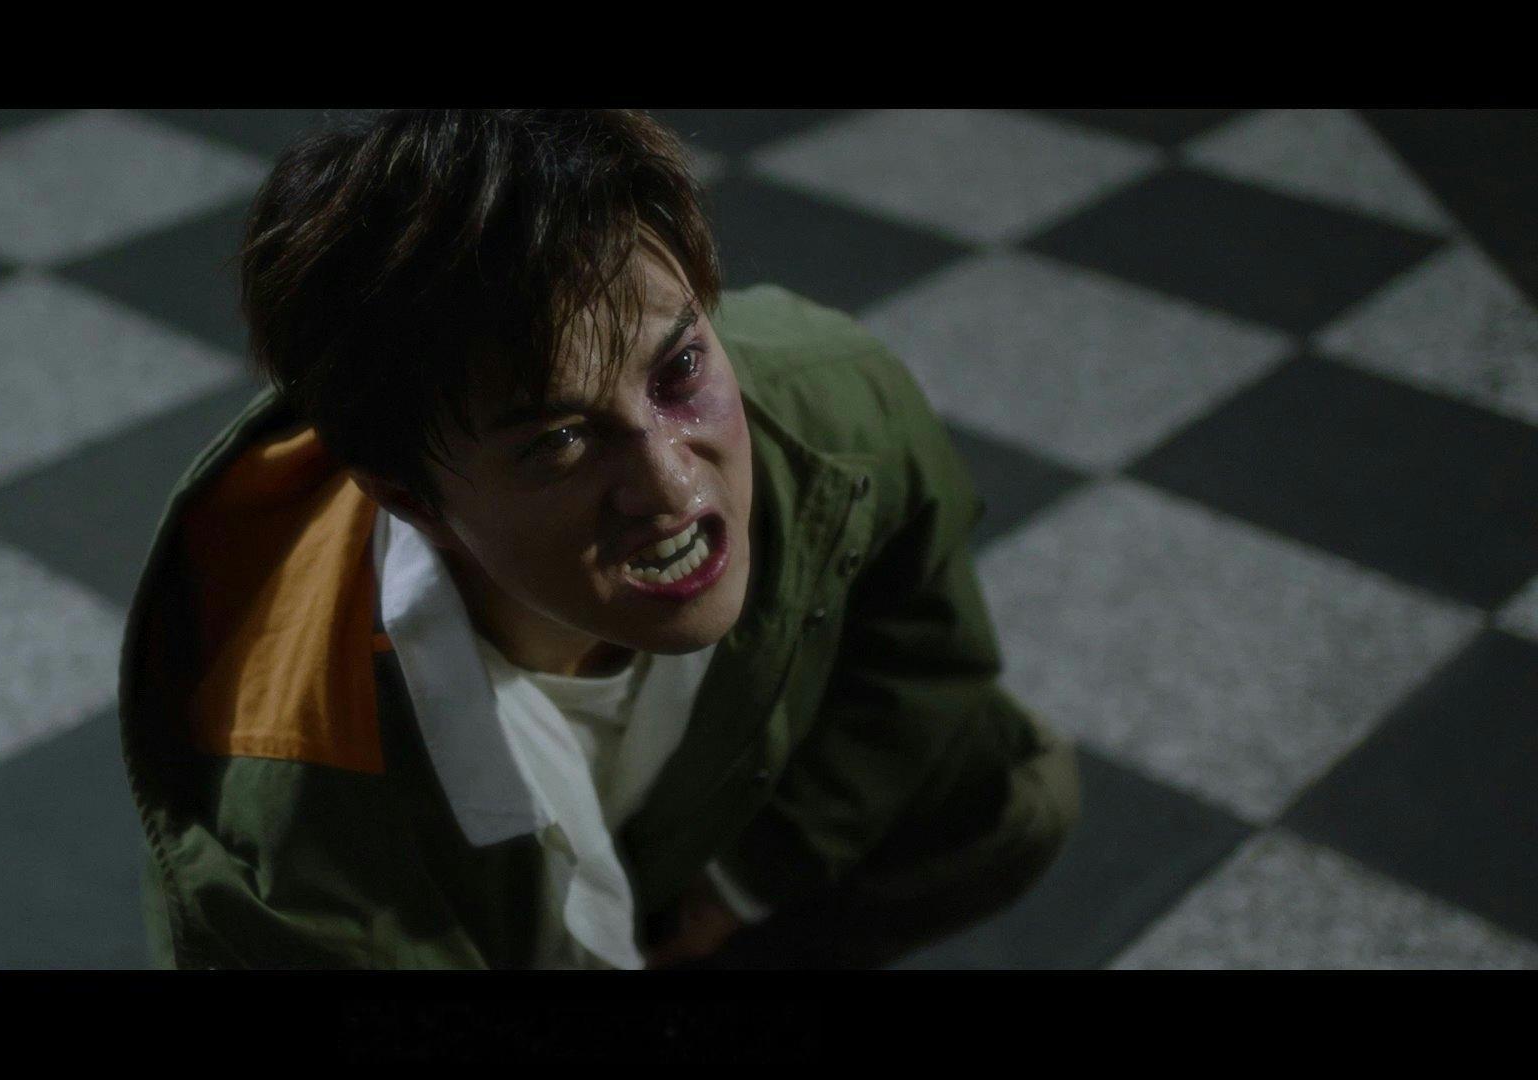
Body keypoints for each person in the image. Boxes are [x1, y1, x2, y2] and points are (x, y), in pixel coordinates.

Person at [117, 108, 1081, 970]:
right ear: (413, 499)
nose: (671, 485)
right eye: (559, 441)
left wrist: (744, 885)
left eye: (680, 371)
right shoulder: (299, 836)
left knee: (1008, 785)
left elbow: (919, 645)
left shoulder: (835, 406)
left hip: (679, 844)